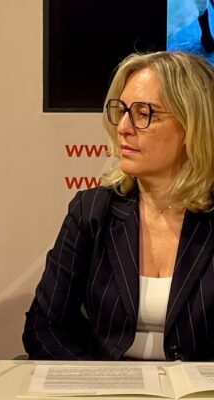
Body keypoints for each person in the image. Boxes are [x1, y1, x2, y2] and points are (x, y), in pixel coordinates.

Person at [23, 51, 214, 361]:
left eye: (143, 113)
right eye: (122, 111)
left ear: (191, 125)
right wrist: (99, 381)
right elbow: (44, 326)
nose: (123, 127)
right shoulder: (92, 211)